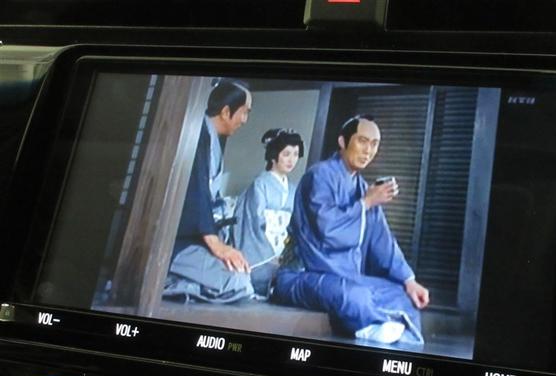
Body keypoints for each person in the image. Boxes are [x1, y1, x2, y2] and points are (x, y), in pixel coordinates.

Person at [272, 115, 429, 345]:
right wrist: (365, 203)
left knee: (402, 295)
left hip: (345, 277)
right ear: (343, 142)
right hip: (303, 275)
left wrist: (409, 280)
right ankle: (370, 326)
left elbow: (383, 242)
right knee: (352, 295)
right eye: (362, 141)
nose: (368, 150)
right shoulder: (319, 175)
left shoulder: (363, 188)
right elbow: (328, 229)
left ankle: (374, 324)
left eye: (374, 144)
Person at [164, 79, 254, 303]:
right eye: (244, 112)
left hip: (197, 240)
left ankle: (181, 284)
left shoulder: (210, 137)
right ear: (226, 112)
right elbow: (196, 194)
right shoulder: (196, 135)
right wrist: (217, 246)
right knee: (236, 281)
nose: (245, 120)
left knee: (243, 275)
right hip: (176, 242)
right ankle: (169, 283)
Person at [233, 128, 305, 296]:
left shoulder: (294, 189)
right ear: (274, 155)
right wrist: (270, 256)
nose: (292, 160)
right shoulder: (260, 184)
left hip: (284, 249)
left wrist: (288, 254)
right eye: (286, 154)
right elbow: (252, 223)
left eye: (295, 154)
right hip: (262, 251)